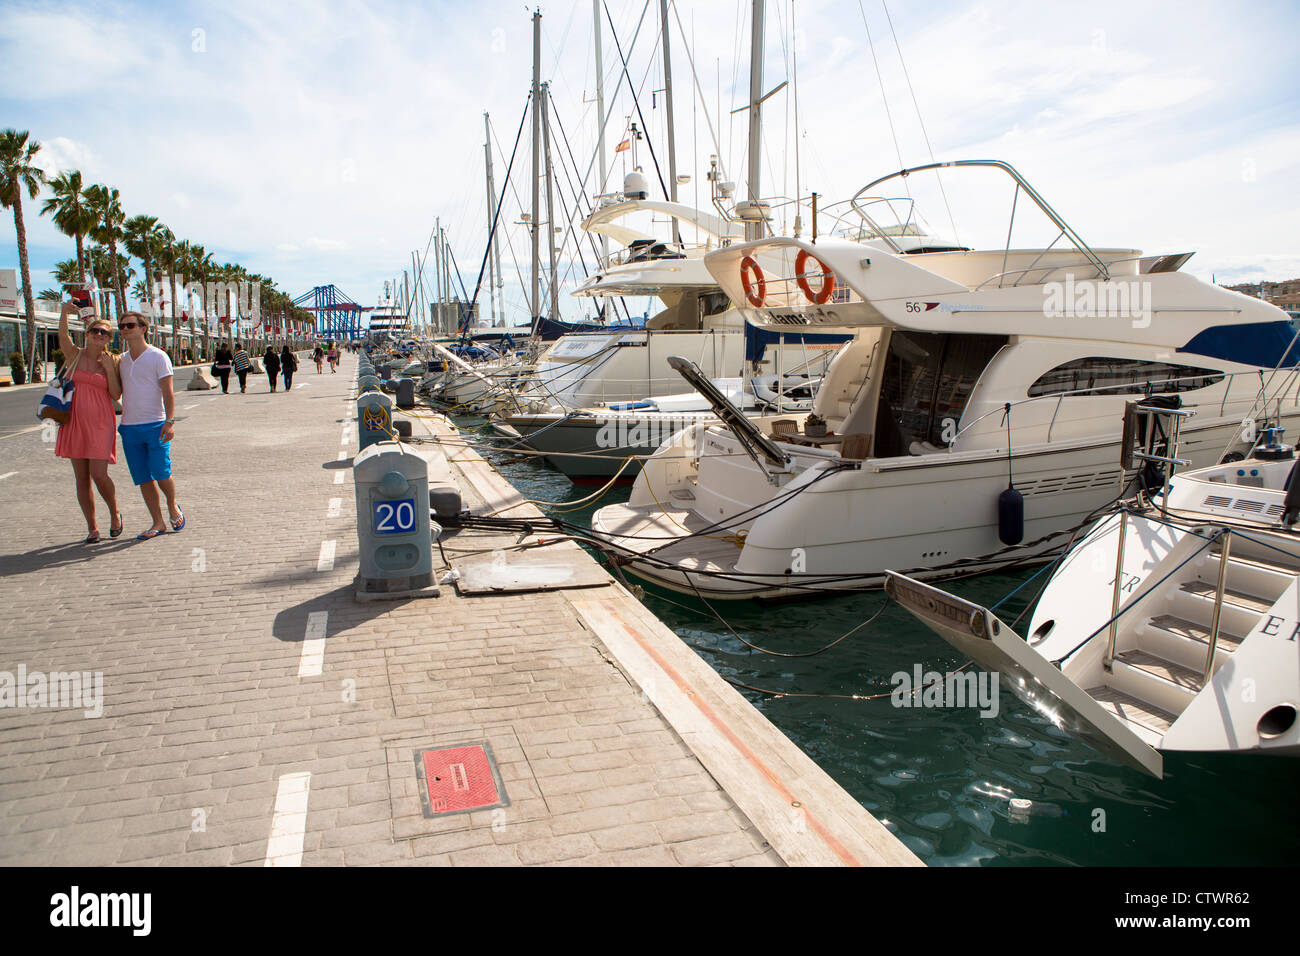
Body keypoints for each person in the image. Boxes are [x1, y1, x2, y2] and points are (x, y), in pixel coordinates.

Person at [56, 301, 123, 543]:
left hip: (101, 424)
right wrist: (64, 312)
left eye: (104, 332)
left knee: (99, 474)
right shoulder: (75, 355)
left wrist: (107, 369)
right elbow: (62, 335)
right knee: (81, 477)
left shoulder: (112, 361)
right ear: (87, 335)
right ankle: (92, 527)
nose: (98, 335)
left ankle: (115, 512)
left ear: (109, 339)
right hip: (73, 422)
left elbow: (116, 395)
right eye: (94, 331)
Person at [117, 310, 184, 540]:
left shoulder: (158, 357)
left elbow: (168, 392)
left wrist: (170, 421)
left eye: (130, 325)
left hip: (156, 425)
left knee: (161, 472)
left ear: (143, 328)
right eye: (122, 326)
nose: (125, 329)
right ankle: (158, 522)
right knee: (143, 477)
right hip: (129, 427)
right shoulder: (122, 360)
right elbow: (116, 391)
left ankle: (173, 505)